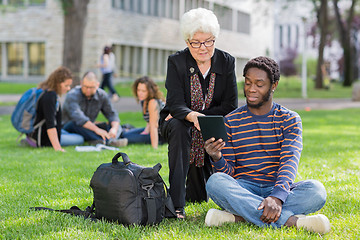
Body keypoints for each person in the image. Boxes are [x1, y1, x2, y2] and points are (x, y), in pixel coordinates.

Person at [203, 56, 331, 234]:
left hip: (277, 187)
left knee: (317, 191)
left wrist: (277, 197)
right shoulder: (230, 121)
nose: (251, 89)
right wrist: (216, 157)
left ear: (274, 85)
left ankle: (237, 217)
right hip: (243, 187)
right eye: (247, 83)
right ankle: (293, 222)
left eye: (259, 84)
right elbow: (229, 174)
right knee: (215, 182)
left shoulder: (290, 119)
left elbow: (289, 161)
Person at [159, 8, 238, 219]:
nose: (203, 48)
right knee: (177, 125)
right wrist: (189, 116)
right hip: (178, 122)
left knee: (199, 196)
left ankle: (200, 188)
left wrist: (198, 115)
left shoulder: (226, 61)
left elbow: (230, 105)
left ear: (215, 39)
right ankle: (176, 204)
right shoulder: (176, 62)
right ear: (187, 42)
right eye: (196, 42)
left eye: (208, 41)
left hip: (208, 126)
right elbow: (175, 103)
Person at [62, 71, 127, 147]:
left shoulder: (102, 95)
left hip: (90, 127)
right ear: (81, 83)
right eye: (85, 87)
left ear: (97, 85)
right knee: (76, 124)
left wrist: (114, 129)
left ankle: (106, 139)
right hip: (70, 127)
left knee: (114, 125)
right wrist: (97, 130)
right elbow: (79, 118)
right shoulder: (72, 95)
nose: (88, 90)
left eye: (91, 87)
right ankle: (107, 141)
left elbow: (112, 114)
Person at [27, 66, 84, 151]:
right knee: (80, 138)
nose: (69, 88)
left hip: (36, 133)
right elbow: (50, 125)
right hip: (42, 138)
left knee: (72, 132)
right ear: (58, 83)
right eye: (66, 85)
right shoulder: (50, 97)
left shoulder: (46, 91)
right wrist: (58, 148)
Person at [121, 76, 165, 149]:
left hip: (160, 135)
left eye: (143, 91)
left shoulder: (152, 102)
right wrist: (144, 132)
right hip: (151, 130)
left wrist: (154, 147)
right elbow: (150, 121)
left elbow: (154, 126)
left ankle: (122, 138)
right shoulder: (144, 100)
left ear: (150, 91)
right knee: (125, 134)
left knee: (127, 137)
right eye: (138, 90)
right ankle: (126, 130)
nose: (140, 93)